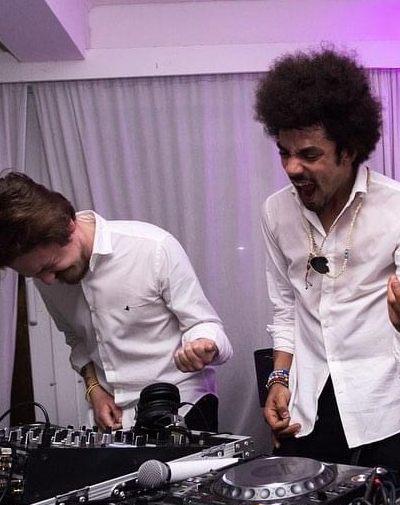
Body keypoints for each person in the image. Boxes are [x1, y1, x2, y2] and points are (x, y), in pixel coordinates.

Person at [254, 48, 400, 483]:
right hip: (308, 413)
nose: (292, 167)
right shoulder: (275, 212)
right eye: (284, 152)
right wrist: (279, 379)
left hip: (389, 413)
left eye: (309, 154)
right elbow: (286, 309)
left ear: (348, 150)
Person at [0, 172, 233, 431]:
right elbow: (77, 339)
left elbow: (203, 324)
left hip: (184, 408)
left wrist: (203, 345)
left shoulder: (153, 248)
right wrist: (94, 389)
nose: (47, 280)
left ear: (69, 225)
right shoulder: (46, 276)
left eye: (51, 266)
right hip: (112, 422)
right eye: (35, 275)